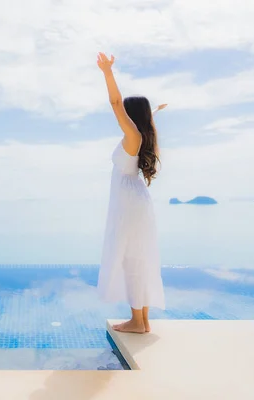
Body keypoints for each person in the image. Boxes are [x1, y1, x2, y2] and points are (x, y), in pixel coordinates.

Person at [95, 52, 166, 334]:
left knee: (131, 258)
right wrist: (156, 112)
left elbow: (114, 103)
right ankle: (142, 320)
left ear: (131, 117)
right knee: (139, 255)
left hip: (127, 202)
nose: (121, 116)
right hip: (136, 200)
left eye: (126, 113)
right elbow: (141, 118)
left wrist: (107, 73)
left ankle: (138, 321)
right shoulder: (143, 135)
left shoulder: (133, 136)